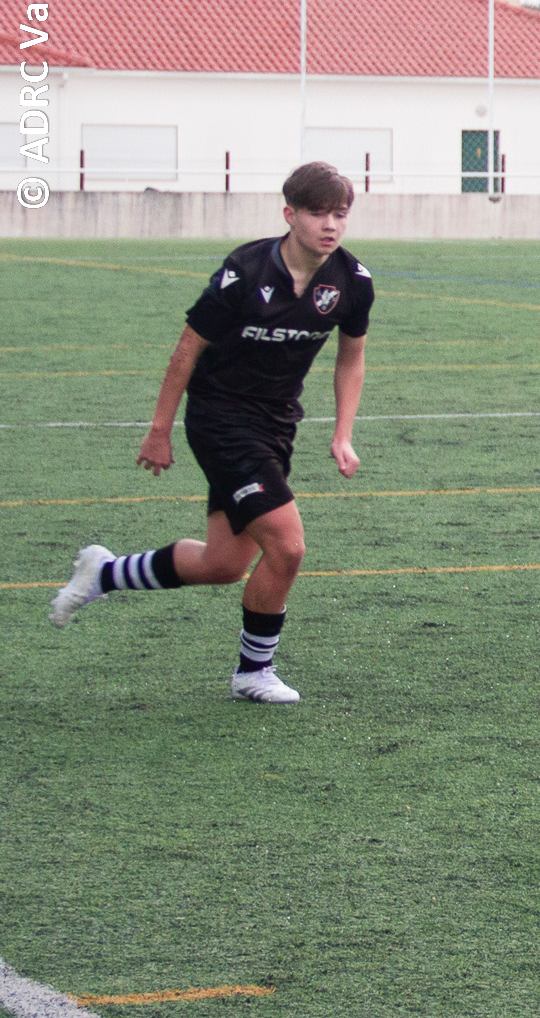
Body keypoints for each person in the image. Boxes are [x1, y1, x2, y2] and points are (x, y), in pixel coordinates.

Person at [47, 162, 374, 704]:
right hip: (220, 417)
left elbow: (351, 358)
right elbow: (186, 350)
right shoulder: (244, 271)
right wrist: (159, 430)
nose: (330, 224)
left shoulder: (351, 282)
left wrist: (343, 433)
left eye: (340, 213)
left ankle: (103, 574)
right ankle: (253, 672)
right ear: (290, 214)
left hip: (275, 424)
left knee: (223, 564)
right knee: (288, 547)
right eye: (318, 212)